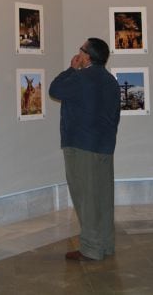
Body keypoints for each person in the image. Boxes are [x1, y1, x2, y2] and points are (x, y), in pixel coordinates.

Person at [49, 38, 120, 261]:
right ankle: (106, 244)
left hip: (81, 145)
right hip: (105, 146)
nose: (78, 52)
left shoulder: (81, 78)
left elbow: (55, 89)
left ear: (86, 56)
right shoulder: (111, 81)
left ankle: (90, 248)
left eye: (81, 49)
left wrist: (71, 68)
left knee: (85, 198)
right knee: (103, 197)